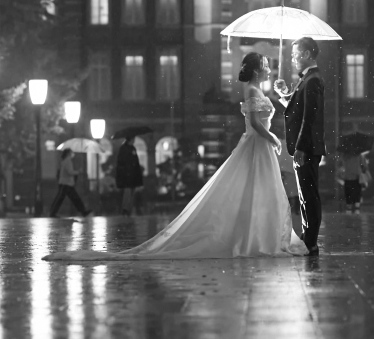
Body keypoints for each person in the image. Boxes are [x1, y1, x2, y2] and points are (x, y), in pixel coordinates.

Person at [44, 52, 306, 261]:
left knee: (260, 192)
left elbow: (263, 116)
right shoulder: (251, 90)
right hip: (257, 145)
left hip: (259, 147)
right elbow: (253, 122)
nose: (269, 68)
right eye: (265, 65)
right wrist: (271, 137)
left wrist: (282, 95)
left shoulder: (258, 91)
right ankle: (253, 237)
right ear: (256, 69)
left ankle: (260, 235)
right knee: (255, 191)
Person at [274, 37, 326, 254]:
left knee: (309, 195)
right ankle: (308, 235)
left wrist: (301, 148)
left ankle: (311, 240)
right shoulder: (308, 80)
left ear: (306, 54)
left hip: (307, 148)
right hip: (307, 146)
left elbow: (309, 117)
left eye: (295, 54)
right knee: (306, 194)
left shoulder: (312, 80)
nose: (293, 59)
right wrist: (284, 94)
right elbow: (298, 110)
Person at [49, 149, 91, 217]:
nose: (73, 154)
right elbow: (70, 172)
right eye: (72, 152)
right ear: (68, 153)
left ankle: (83, 211)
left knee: (70, 198)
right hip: (66, 184)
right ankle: (83, 211)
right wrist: (78, 172)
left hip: (66, 184)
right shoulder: (68, 161)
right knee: (70, 198)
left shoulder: (65, 161)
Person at [115, 138, 143, 215]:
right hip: (127, 174)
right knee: (127, 191)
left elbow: (135, 160)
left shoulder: (132, 148)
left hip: (133, 174)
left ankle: (128, 208)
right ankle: (125, 208)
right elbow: (122, 161)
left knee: (132, 192)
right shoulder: (124, 149)